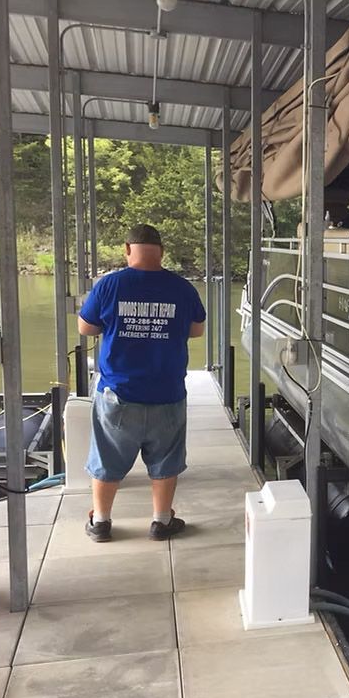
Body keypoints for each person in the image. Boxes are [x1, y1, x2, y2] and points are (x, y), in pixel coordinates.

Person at [77, 224, 206, 542]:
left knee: (107, 457)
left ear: (127, 249)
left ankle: (101, 523)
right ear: (161, 251)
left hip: (118, 393)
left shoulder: (109, 285)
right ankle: (161, 522)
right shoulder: (182, 288)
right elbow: (197, 330)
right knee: (166, 459)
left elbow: (85, 328)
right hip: (167, 392)